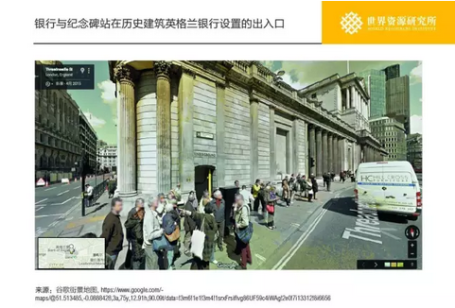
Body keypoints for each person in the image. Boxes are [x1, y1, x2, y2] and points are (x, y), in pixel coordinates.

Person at [181, 205, 218, 270]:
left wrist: (185, 211)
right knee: (205, 263)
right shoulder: (213, 220)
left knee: (196, 261)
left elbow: (193, 214)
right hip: (208, 245)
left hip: (200, 243)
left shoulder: (203, 216)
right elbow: (216, 233)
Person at [101, 197, 124, 269]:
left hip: (115, 250)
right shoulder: (110, 220)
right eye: (119, 205)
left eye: (121, 205)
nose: (121, 207)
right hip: (111, 252)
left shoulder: (116, 217)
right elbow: (104, 237)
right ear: (113, 206)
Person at [143, 198, 164, 270]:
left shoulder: (153, 213)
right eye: (156, 200)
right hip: (150, 246)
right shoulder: (149, 215)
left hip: (153, 245)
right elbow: (150, 235)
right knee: (153, 267)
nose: (158, 201)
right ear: (152, 203)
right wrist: (161, 232)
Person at [124, 198, 145, 270]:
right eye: (142, 203)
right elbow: (128, 225)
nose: (143, 204)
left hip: (138, 236)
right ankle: (128, 265)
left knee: (135, 253)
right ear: (138, 204)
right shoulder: (132, 212)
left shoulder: (142, 210)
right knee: (134, 254)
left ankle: (129, 265)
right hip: (133, 237)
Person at [233, 194, 252, 269]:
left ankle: (243, 266)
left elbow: (245, 222)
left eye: (236, 201)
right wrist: (235, 209)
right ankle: (249, 259)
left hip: (243, 230)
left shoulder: (244, 208)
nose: (236, 202)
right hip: (245, 230)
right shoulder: (242, 206)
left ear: (240, 200)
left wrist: (238, 225)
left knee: (243, 248)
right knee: (246, 245)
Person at [162, 202, 180, 270]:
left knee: (168, 254)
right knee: (170, 254)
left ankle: (169, 265)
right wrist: (174, 225)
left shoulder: (165, 216)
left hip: (166, 240)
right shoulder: (169, 218)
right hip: (169, 240)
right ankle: (169, 267)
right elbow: (168, 231)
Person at [183, 191, 198, 256]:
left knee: (189, 237)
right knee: (188, 237)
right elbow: (189, 219)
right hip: (189, 225)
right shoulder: (189, 206)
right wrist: (193, 227)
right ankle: (186, 250)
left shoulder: (189, 204)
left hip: (188, 224)